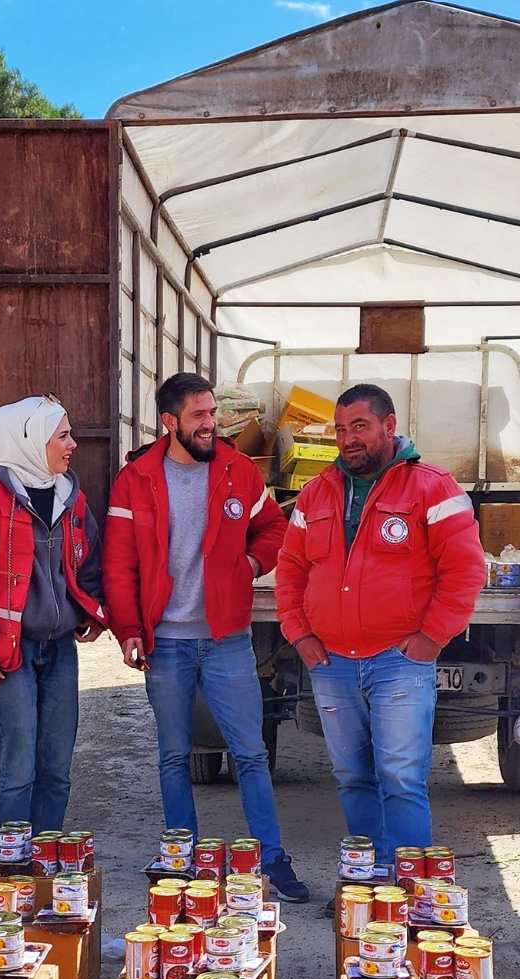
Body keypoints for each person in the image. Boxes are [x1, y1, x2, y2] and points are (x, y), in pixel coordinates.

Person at [103, 372, 310, 901]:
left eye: (212, 413)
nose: (210, 424)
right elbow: (119, 564)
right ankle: (183, 858)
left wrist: (250, 564)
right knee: (174, 755)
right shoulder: (136, 479)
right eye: (198, 415)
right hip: (165, 643)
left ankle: (272, 859)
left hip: (227, 640)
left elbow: (275, 528)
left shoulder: (238, 470)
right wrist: (128, 630)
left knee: (251, 753)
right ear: (169, 421)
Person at [274, 383, 486, 880]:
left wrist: (432, 638)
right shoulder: (316, 492)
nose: (348, 439)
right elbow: (290, 569)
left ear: (389, 426)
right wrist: (300, 635)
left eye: (360, 426)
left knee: (401, 779)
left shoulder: (433, 487)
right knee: (352, 777)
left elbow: (465, 570)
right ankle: (366, 882)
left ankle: (408, 889)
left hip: (399, 662)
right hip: (331, 663)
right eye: (340, 430)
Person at [0, 395, 106, 831]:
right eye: (63, 436)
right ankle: (13, 860)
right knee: (19, 769)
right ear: (31, 440)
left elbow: (88, 560)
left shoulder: (72, 498)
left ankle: (46, 856)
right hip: (7, 653)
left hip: (60, 651)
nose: (72, 445)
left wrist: (91, 611)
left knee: (57, 769)